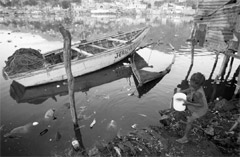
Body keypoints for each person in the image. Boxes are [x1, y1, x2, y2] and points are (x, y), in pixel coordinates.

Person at [176, 72, 208, 143]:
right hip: (197, 105)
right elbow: (190, 89)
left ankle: (185, 138)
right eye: (190, 81)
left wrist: (188, 103)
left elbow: (201, 105)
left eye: (191, 82)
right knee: (189, 112)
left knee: (189, 121)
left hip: (201, 109)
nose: (190, 83)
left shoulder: (198, 93)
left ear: (197, 84)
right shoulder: (195, 86)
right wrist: (182, 91)